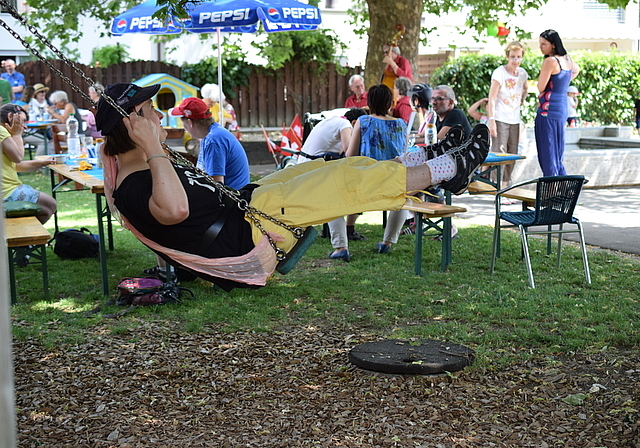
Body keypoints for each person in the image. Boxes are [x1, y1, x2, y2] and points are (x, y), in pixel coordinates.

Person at [95, 82, 489, 291]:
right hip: (247, 235)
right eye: (148, 113)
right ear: (130, 124)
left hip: (250, 207)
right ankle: (448, 169)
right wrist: (151, 148)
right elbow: (175, 211)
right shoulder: (133, 183)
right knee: (341, 182)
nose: (158, 117)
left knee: (334, 165)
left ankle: (429, 158)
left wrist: (151, 147)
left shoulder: (139, 165)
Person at [345, 84, 409, 254]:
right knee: (405, 200)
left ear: (369, 102)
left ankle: (342, 243)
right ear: (390, 102)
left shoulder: (363, 121)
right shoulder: (401, 124)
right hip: (393, 183)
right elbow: (403, 154)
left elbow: (350, 155)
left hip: (367, 182)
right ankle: (387, 242)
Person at [297, 107, 367, 261]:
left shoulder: (332, 120)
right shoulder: (346, 125)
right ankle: (341, 247)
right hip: (312, 169)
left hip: (305, 166)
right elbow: (348, 151)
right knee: (334, 204)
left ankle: (343, 241)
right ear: (355, 122)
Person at [170, 97, 249, 190]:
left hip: (233, 199)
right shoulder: (211, 133)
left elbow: (216, 185)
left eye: (183, 123)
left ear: (189, 122)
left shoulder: (214, 141)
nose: (184, 128)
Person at [1, 104, 57, 224]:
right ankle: (24, 240)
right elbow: (18, 158)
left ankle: (23, 237)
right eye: (21, 121)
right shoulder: (1, 131)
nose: (24, 127)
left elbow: (15, 166)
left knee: (46, 207)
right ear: (11, 117)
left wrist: (41, 163)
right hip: (6, 193)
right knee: (50, 205)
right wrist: (16, 134)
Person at [535, 29, 580, 177]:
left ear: (553, 45)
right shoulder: (567, 59)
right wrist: (562, 84)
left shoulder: (550, 61)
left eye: (544, 44)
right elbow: (576, 70)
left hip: (547, 110)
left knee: (547, 153)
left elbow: (541, 87)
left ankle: (552, 192)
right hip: (561, 109)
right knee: (557, 152)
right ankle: (562, 187)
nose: (541, 47)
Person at [486, 41, 528, 189]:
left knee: (513, 153)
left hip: (514, 119)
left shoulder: (522, 73)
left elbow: (525, 88)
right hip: (500, 118)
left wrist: (521, 99)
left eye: (518, 57)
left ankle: (505, 187)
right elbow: (492, 98)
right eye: (512, 57)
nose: (515, 60)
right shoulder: (499, 72)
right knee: (499, 153)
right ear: (507, 57)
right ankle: (496, 188)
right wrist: (491, 120)